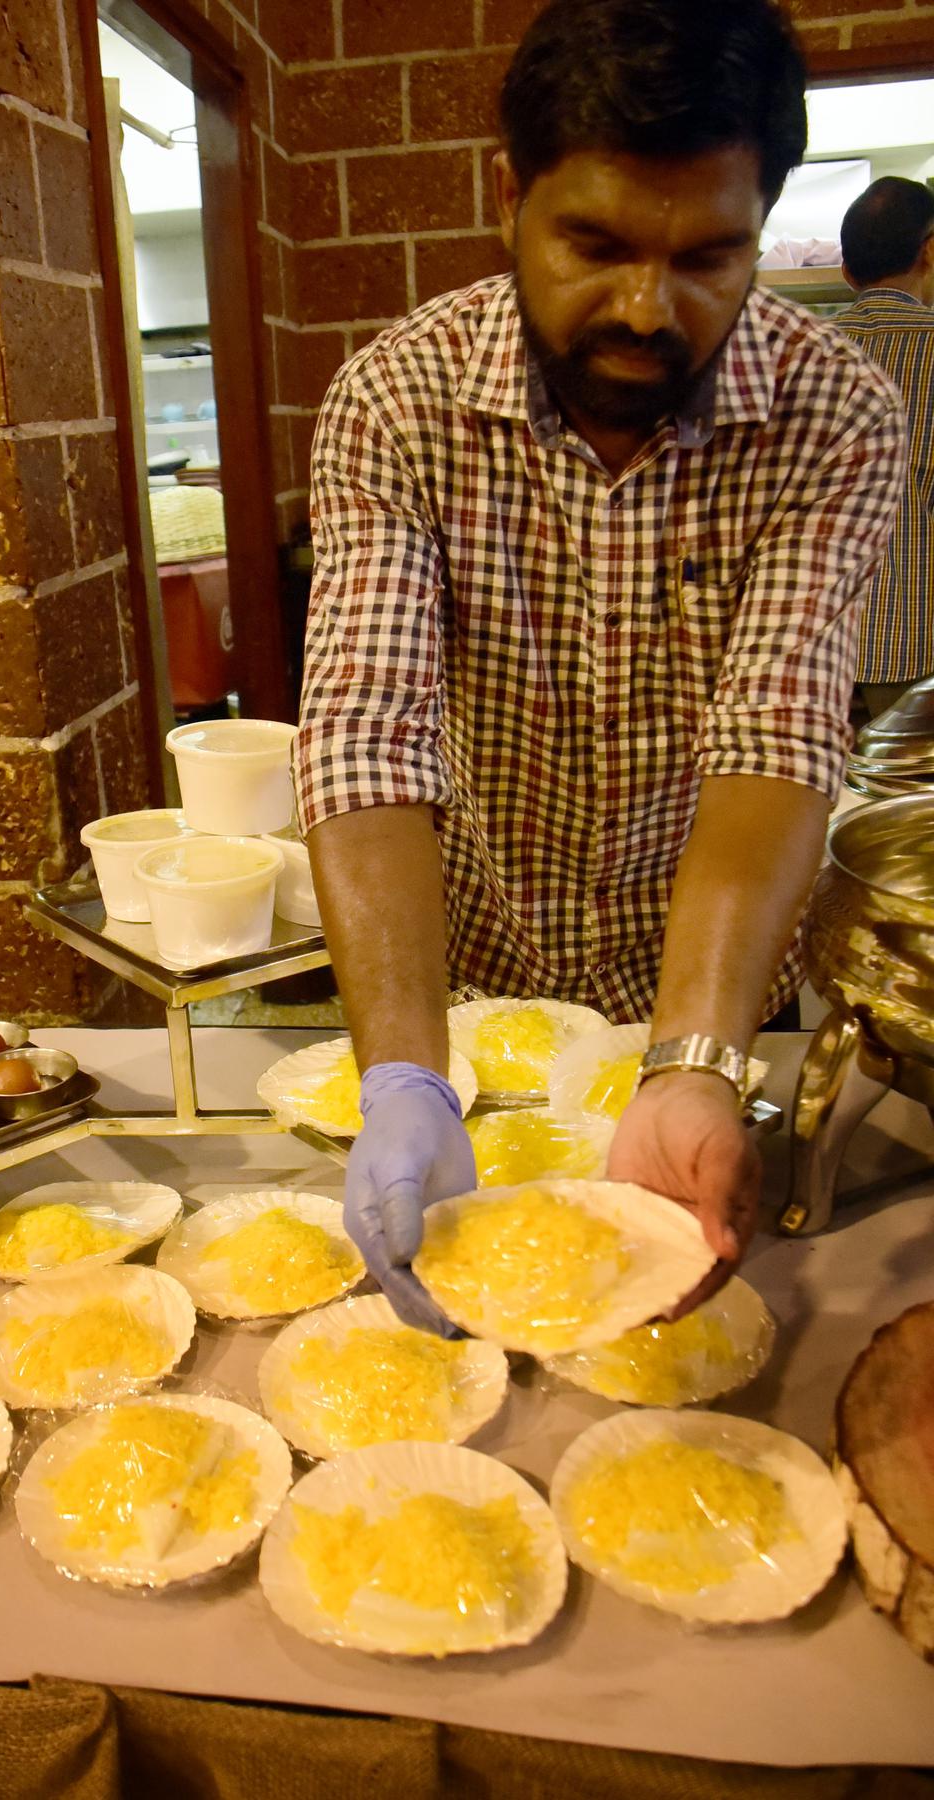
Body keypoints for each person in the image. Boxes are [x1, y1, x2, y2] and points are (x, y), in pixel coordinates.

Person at [293, 0, 907, 1334]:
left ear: (764, 225)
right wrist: (403, 1074)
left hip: (715, 986)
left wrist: (692, 1064)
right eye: (596, 243)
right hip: (473, 966)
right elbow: (369, 725)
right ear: (508, 196)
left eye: (708, 257)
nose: (647, 307)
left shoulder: (837, 413)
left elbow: (779, 726)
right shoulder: (396, 399)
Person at [838, 176, 934, 720]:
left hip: (811, 650)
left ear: (847, 271)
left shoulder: (798, 359)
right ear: (930, 250)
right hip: (916, 647)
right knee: (908, 803)